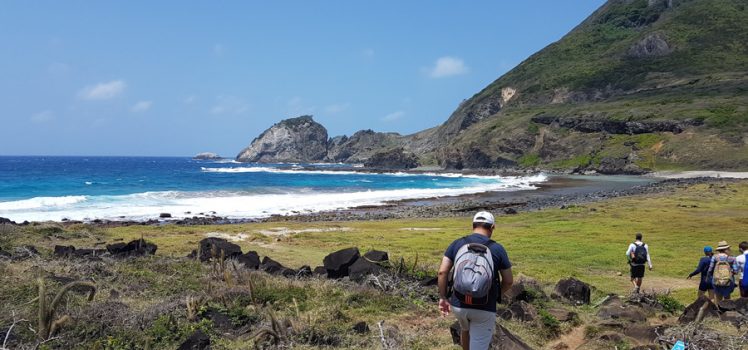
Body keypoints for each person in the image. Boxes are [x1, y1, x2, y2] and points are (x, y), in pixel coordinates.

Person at [438, 211, 513, 350]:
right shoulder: (497, 248)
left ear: (473, 225)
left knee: (465, 330)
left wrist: (443, 297)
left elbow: (442, 272)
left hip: (459, 304)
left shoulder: (457, 243)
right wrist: (497, 295)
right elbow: (508, 281)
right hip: (484, 307)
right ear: (492, 227)